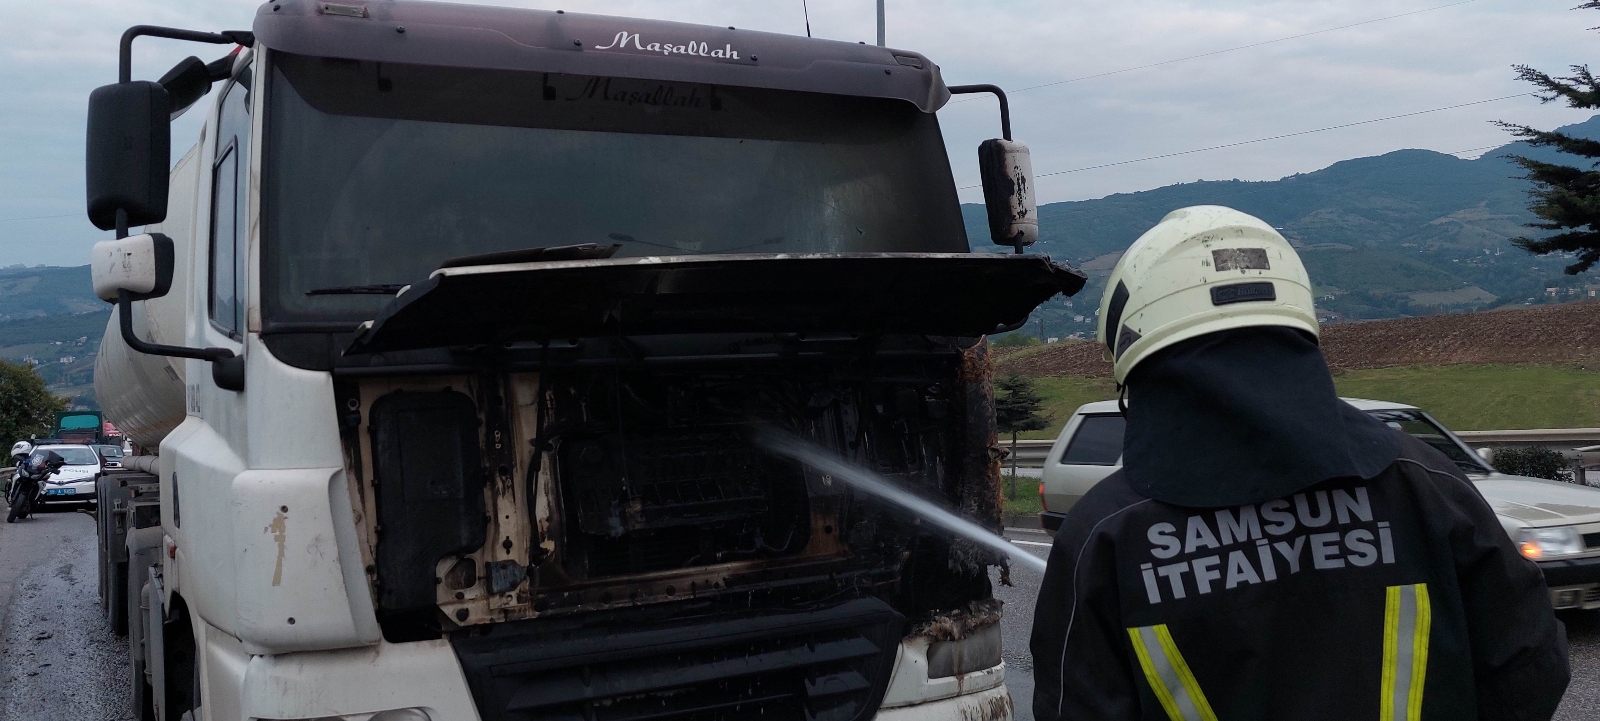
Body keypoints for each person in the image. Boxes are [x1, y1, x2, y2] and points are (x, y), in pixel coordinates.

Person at [1030, 206, 1569, 721]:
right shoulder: (1423, 483)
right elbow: (1531, 660)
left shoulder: (1106, 536)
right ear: (1299, 331)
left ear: (1136, 360)